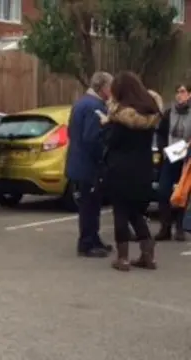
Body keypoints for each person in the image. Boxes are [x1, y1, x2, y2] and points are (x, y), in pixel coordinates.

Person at [102, 72, 162, 271]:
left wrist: (106, 124)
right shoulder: (150, 114)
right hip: (144, 169)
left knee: (120, 211)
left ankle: (123, 258)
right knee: (136, 212)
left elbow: (112, 142)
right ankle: (148, 255)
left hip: (121, 170)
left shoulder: (120, 118)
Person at [65, 71, 114, 257]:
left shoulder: (81, 103)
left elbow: (72, 131)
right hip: (89, 165)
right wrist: (103, 157)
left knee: (91, 204)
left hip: (79, 161)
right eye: (110, 87)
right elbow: (92, 138)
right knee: (90, 206)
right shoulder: (95, 107)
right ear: (102, 88)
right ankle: (87, 242)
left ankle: (93, 238)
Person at [154, 84, 191, 242]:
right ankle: (165, 227)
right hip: (170, 155)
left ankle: (180, 228)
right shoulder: (169, 113)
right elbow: (161, 133)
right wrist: (163, 149)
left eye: (182, 92)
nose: (179, 95)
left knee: (182, 192)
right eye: (177, 92)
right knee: (163, 191)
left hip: (186, 157)